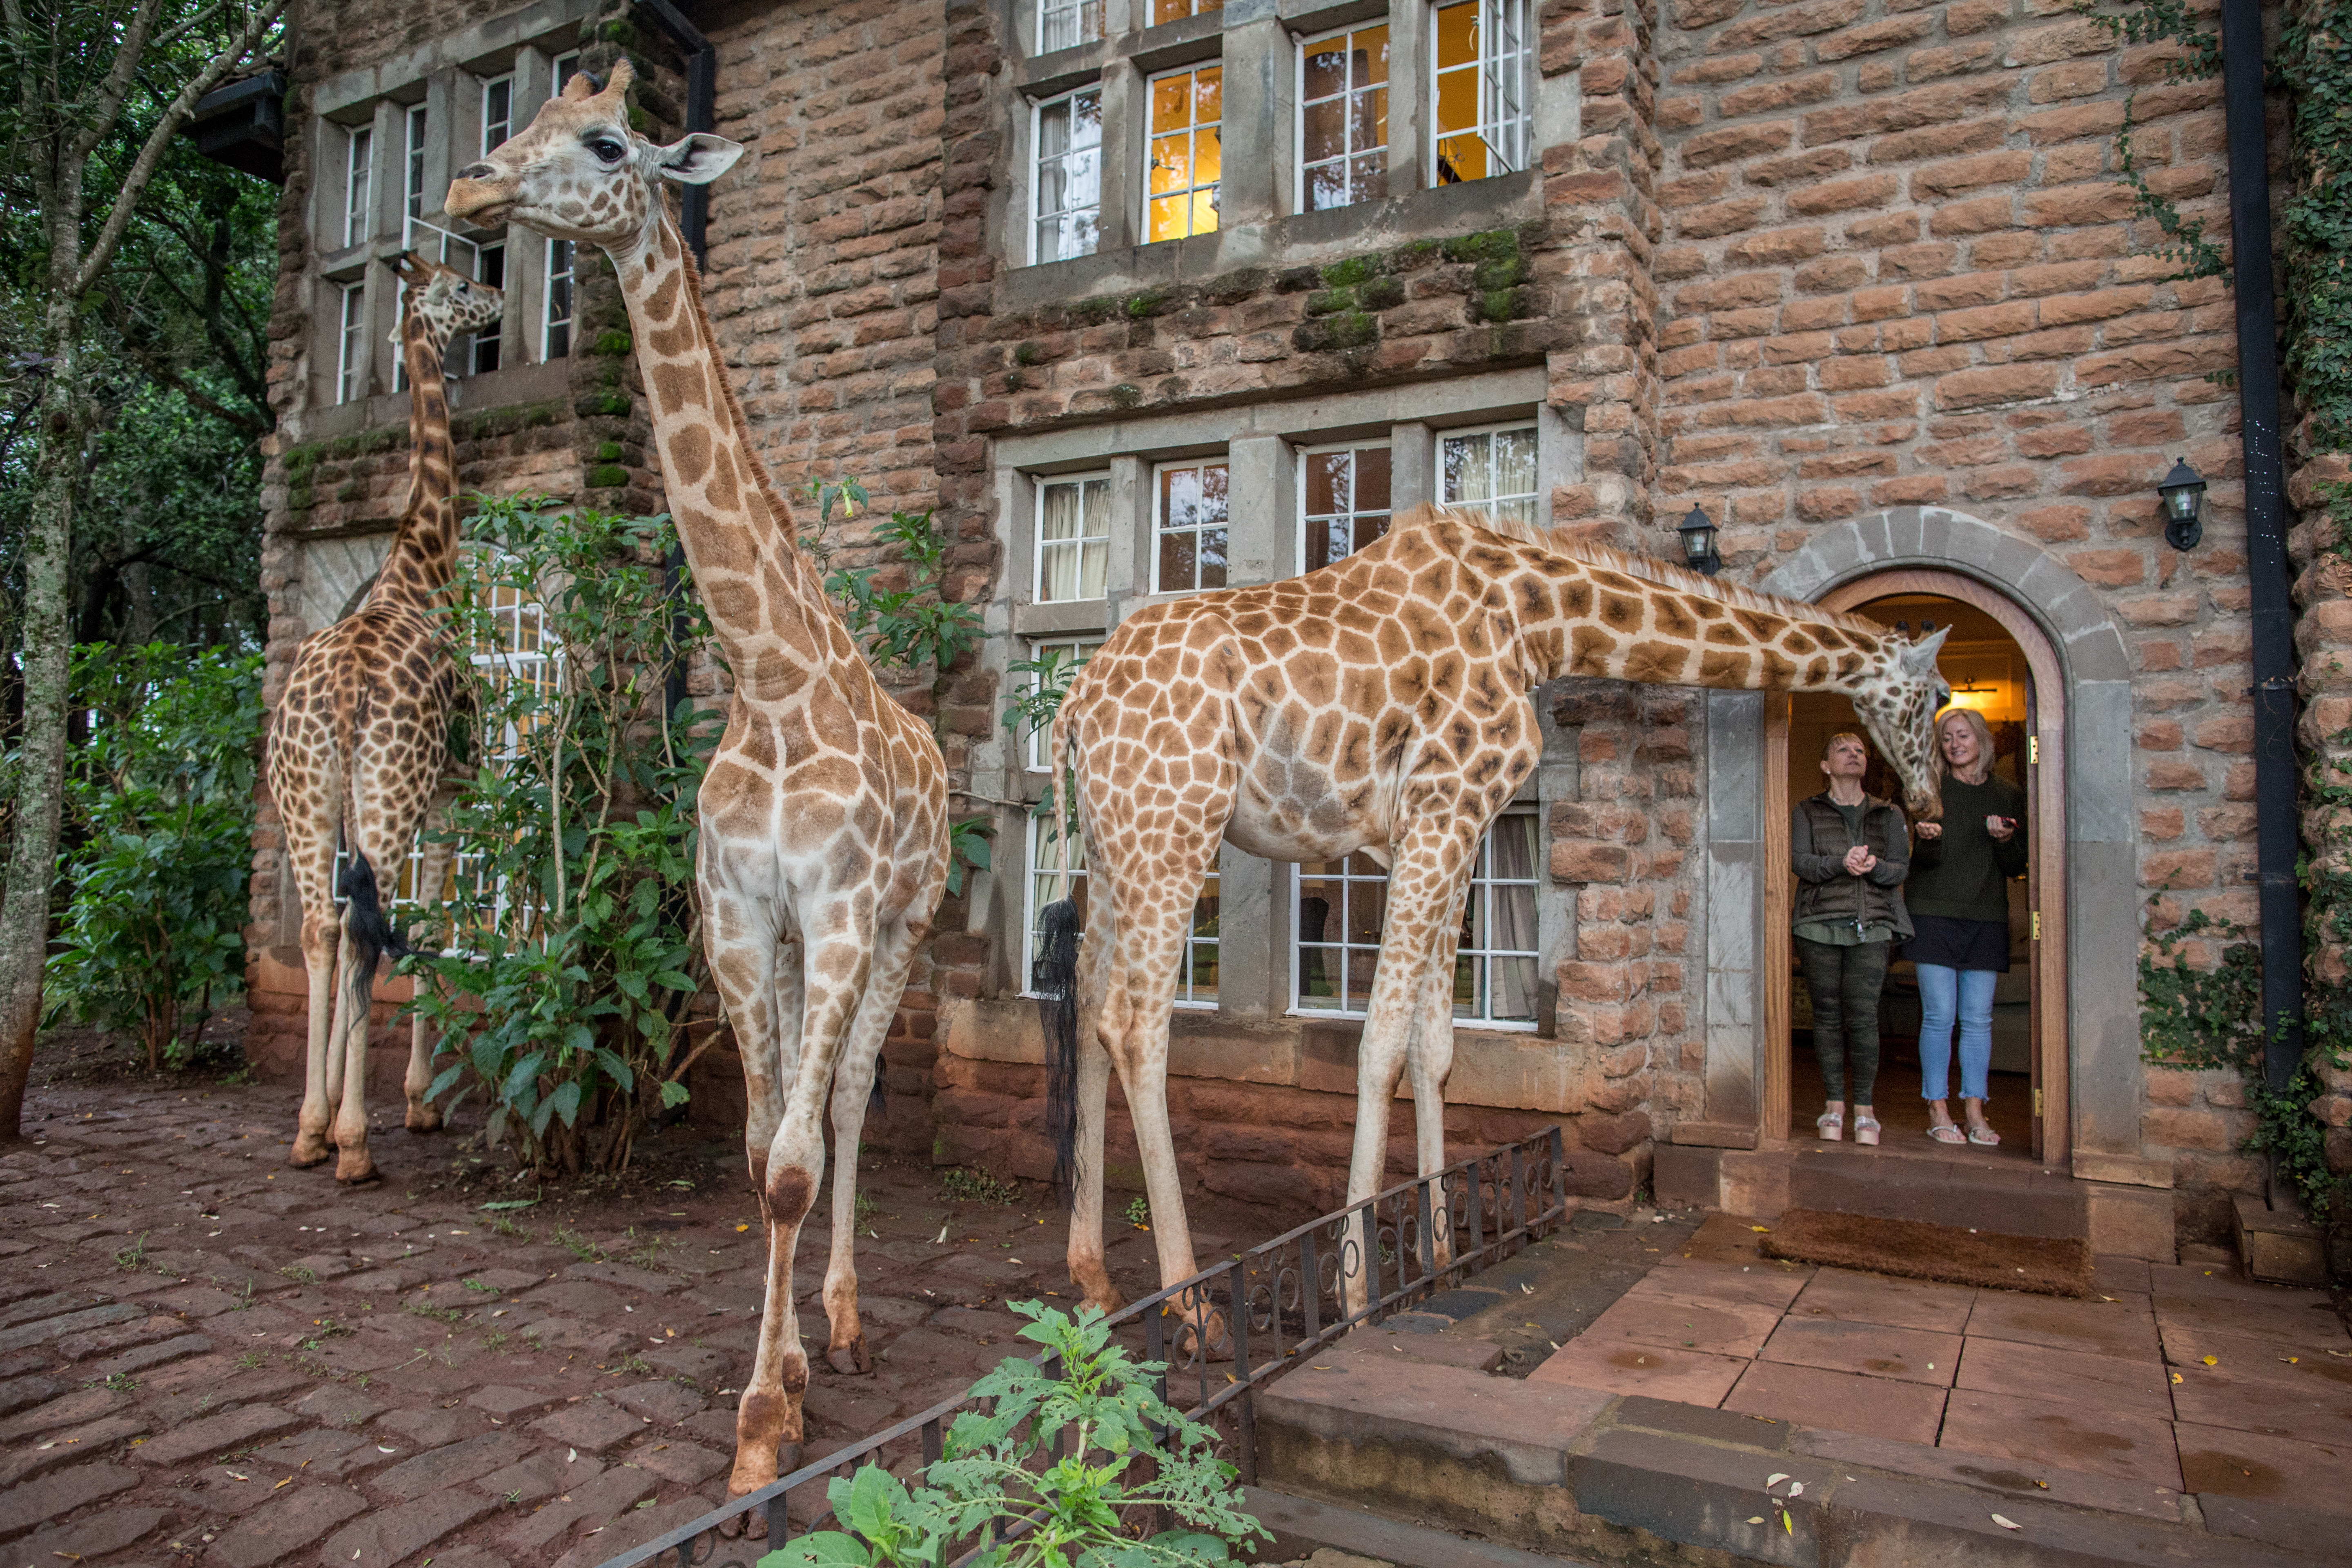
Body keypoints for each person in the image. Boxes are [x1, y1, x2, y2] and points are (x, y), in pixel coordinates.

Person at [1906, 706, 2027, 1145]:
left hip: (1985, 915)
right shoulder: (1930, 790)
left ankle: (1976, 1112)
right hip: (1933, 913)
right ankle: (1938, 1109)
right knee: (1939, 1017)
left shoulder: (2009, 795)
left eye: (1963, 736)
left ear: (1982, 740)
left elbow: (2018, 867)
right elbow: (1917, 863)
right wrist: (1929, 843)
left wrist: (2006, 840)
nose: (1955, 745)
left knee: (1978, 1019)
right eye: (1946, 739)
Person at [1791, 731, 1913, 1146]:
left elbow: (1900, 870)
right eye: (1843, 749)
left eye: (1860, 750)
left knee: (1863, 1017)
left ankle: (1865, 1110)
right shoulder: (1807, 811)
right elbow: (1800, 861)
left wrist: (1876, 866)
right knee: (1826, 1016)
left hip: (1873, 925)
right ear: (1826, 765)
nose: (1854, 754)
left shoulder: (1888, 814)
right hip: (1818, 923)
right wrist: (1841, 863)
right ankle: (1833, 1106)